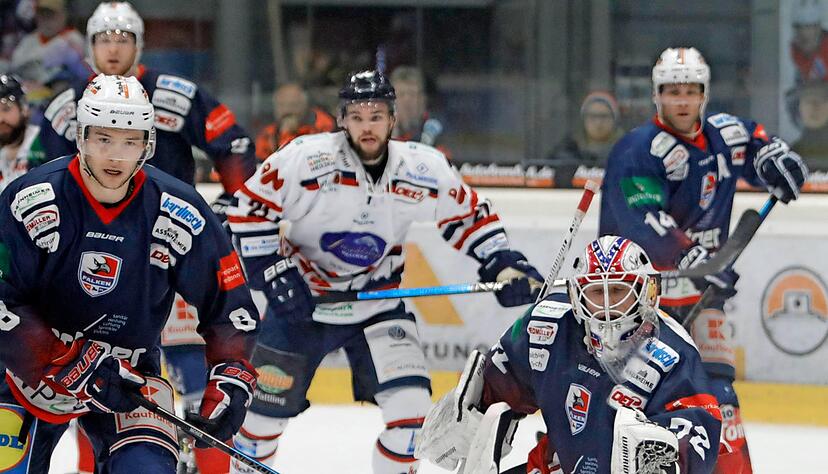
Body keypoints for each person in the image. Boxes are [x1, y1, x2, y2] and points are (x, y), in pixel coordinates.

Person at [226, 70, 543, 474]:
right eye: (357, 116)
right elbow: (248, 211)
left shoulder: (423, 167)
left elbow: (469, 218)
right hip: (303, 305)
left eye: (377, 116)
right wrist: (273, 271)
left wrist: (503, 262)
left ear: (393, 119)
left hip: (378, 304)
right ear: (341, 120)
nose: (367, 126)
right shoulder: (304, 158)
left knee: (411, 420)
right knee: (258, 425)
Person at [37, 3, 258, 471]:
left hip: (165, 251)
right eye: (103, 39)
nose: (113, 48)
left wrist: (234, 204)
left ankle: (205, 461)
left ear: (139, 44)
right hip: (79, 265)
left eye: (122, 38)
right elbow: (45, 176)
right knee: (86, 396)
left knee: (193, 373)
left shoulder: (174, 93)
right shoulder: (63, 107)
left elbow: (232, 142)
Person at [599, 47, 808, 473]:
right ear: (657, 95)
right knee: (629, 402)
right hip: (638, 304)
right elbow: (641, 221)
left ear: (704, 94)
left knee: (718, 391)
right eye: (672, 90)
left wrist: (775, 160)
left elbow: (756, 144)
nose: (681, 99)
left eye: (690, 90)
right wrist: (693, 258)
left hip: (702, 297)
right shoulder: (638, 150)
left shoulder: (724, 134)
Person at [416, 236, 723, 474]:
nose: (605, 305)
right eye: (595, 293)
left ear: (646, 292)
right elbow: (502, 380)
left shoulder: (673, 354)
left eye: (617, 291)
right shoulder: (547, 326)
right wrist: (472, 411)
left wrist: (669, 455)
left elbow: (700, 432)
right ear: (577, 295)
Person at [9, 0, 87, 115]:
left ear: (64, 15)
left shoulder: (73, 40)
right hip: (27, 102)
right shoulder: (29, 40)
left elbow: (84, 75)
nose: (46, 20)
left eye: (51, 15)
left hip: (62, 105)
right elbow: (14, 69)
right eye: (42, 15)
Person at [546, 91, 625, 186]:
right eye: (592, 116)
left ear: (614, 119)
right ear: (584, 119)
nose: (598, 123)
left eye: (604, 116)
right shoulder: (569, 148)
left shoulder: (626, 149)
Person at [254, 82, 336, 160]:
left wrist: (288, 134)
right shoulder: (268, 133)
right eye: (281, 105)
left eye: (293, 105)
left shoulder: (323, 124)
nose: (287, 110)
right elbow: (261, 163)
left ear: (305, 105)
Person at [0, 73, 46, 193]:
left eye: (6, 109)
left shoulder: (43, 141)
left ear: (24, 108)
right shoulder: (2, 154)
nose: (1, 119)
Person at [389, 66, 449, 156]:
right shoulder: (383, 129)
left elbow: (446, 160)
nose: (407, 100)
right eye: (401, 94)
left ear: (422, 100)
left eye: (412, 94)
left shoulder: (435, 127)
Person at [792, 80, 828, 170]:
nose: (815, 107)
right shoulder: (790, 156)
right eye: (808, 100)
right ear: (798, 107)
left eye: (822, 99)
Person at [790, 0, 828, 83]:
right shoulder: (796, 51)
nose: (803, 33)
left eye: (808, 27)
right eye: (798, 27)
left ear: (818, 29)